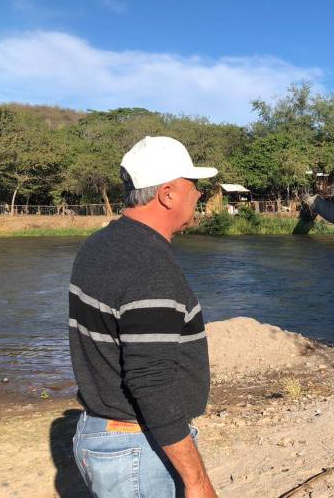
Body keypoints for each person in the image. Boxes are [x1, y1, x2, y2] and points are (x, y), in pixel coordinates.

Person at [69, 136, 219, 497]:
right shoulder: (150, 267)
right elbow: (152, 381)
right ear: (168, 194)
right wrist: (197, 481)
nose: (199, 195)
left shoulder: (101, 244)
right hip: (136, 448)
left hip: (102, 434)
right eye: (193, 186)